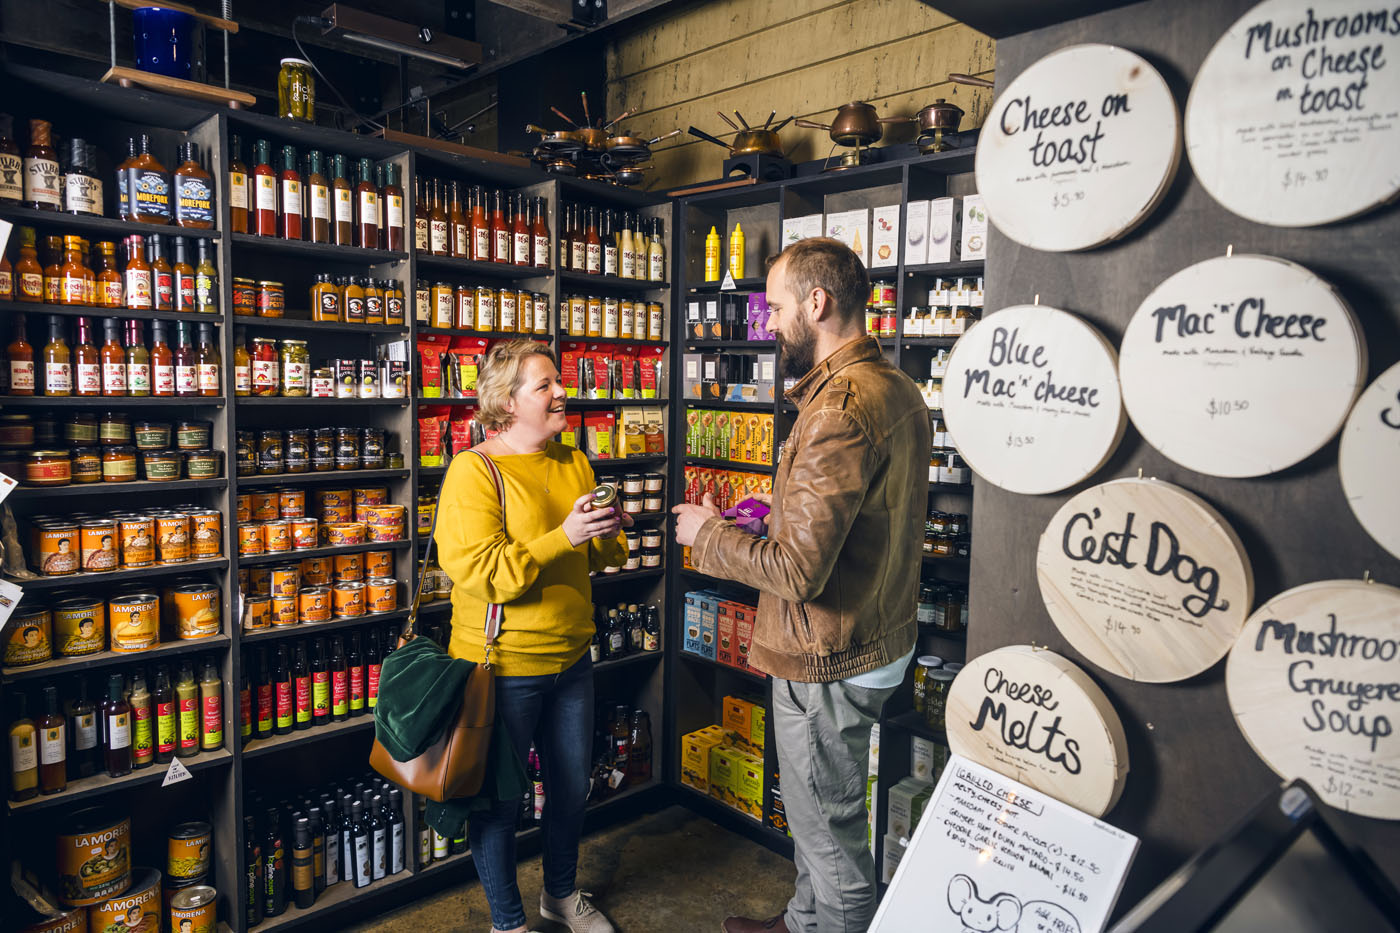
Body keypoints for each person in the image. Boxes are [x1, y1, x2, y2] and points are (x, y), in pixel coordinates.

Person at [674, 238, 930, 933]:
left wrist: (706, 535)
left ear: (817, 304)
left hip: (826, 655)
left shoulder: (838, 407)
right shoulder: (896, 387)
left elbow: (796, 571)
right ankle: (800, 922)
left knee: (830, 832)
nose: (768, 322)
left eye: (778, 307)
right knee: (821, 811)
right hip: (874, 636)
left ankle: (830, 920)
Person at [435, 339, 630, 933]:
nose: (561, 391)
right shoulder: (474, 471)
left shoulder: (572, 461)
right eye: (544, 384)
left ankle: (561, 897)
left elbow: (601, 559)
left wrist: (606, 530)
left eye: (558, 380)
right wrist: (564, 536)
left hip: (571, 657)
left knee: (571, 790)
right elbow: (484, 573)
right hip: (501, 667)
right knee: (497, 803)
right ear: (505, 402)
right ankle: (508, 922)